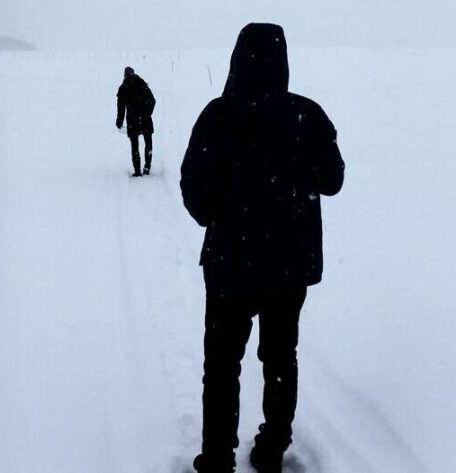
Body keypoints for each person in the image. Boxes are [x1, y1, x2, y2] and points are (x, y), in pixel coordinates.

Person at [180, 23, 345, 473]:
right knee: (279, 358)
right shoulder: (307, 115)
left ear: (237, 60)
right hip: (288, 269)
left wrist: (220, 218)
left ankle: (217, 458)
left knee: (222, 366)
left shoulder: (217, 115)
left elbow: (193, 189)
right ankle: (272, 448)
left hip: (230, 267)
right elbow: (333, 180)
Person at [116, 66, 156, 176]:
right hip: (145, 118)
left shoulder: (123, 88)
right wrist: (148, 112)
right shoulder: (142, 84)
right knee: (148, 142)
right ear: (133, 73)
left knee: (135, 145)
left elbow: (121, 107)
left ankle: (137, 171)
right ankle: (147, 167)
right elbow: (152, 100)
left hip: (132, 120)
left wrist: (119, 121)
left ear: (124, 75)